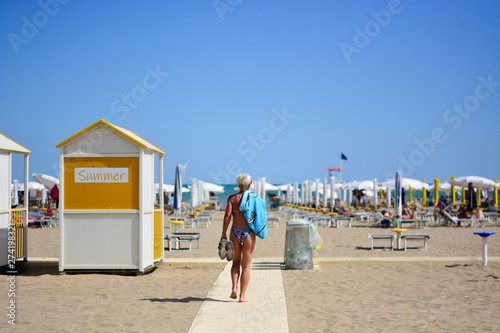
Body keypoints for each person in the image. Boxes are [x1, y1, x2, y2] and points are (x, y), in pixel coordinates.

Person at [221, 173, 256, 302]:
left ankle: (234, 288)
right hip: (248, 233)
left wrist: (224, 233)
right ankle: (242, 296)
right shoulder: (254, 198)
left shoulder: (232, 198)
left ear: (237, 184)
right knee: (246, 265)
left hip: (235, 232)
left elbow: (228, 216)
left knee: (236, 262)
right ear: (249, 184)